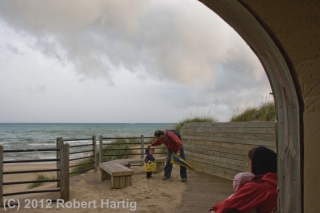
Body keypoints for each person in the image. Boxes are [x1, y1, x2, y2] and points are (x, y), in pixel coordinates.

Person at [209, 146, 277, 213]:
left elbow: (227, 209)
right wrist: (216, 207)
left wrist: (214, 209)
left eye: (248, 160)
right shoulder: (274, 181)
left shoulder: (258, 186)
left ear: (256, 163)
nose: (247, 164)